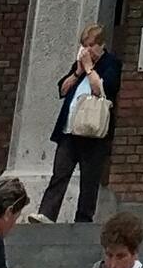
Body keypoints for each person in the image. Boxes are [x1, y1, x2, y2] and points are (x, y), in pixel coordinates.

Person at [43, 26, 119, 224]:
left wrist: (89, 68)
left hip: (93, 133)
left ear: (101, 45)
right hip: (69, 131)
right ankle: (47, 214)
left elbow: (102, 89)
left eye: (91, 45)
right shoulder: (78, 66)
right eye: (84, 45)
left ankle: (83, 220)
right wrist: (78, 71)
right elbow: (63, 89)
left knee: (89, 180)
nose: (87, 50)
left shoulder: (111, 64)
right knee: (59, 174)